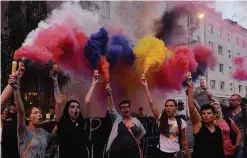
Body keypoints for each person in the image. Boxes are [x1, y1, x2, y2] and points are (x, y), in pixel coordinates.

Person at [52, 69, 99, 158]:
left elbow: (87, 101)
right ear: (67, 110)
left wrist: (93, 84)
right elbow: (58, 101)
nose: (76, 109)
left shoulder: (81, 120)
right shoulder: (61, 122)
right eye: (72, 107)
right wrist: (55, 81)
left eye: (77, 107)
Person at [141, 74, 191, 158]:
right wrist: (146, 86)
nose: (168, 108)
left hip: (175, 153)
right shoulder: (160, 119)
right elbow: (151, 103)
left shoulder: (180, 121)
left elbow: (183, 140)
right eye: (167, 106)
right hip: (161, 153)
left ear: (175, 108)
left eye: (171, 106)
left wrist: (189, 155)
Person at [9, 69, 56, 158]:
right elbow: (21, 112)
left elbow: (56, 126)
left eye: (40, 113)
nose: (39, 114)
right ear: (28, 118)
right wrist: (16, 89)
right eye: (35, 113)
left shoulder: (43, 132)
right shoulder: (24, 131)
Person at [200, 79, 246, 158]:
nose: (230, 101)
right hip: (227, 140)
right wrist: (205, 88)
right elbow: (213, 98)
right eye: (229, 100)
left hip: (239, 140)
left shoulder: (244, 111)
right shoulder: (226, 109)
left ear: (239, 101)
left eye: (232, 100)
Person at [186, 74, 225, 158]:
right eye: (203, 113)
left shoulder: (219, 130)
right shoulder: (198, 126)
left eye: (209, 113)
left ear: (214, 115)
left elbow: (221, 148)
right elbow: (191, 108)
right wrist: (190, 88)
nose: (205, 115)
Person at [105, 83, 146, 158]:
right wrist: (109, 94)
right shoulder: (117, 119)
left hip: (133, 152)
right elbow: (111, 109)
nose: (126, 109)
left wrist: (138, 139)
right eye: (123, 107)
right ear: (120, 110)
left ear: (129, 108)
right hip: (118, 152)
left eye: (127, 107)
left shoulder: (136, 121)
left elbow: (143, 131)